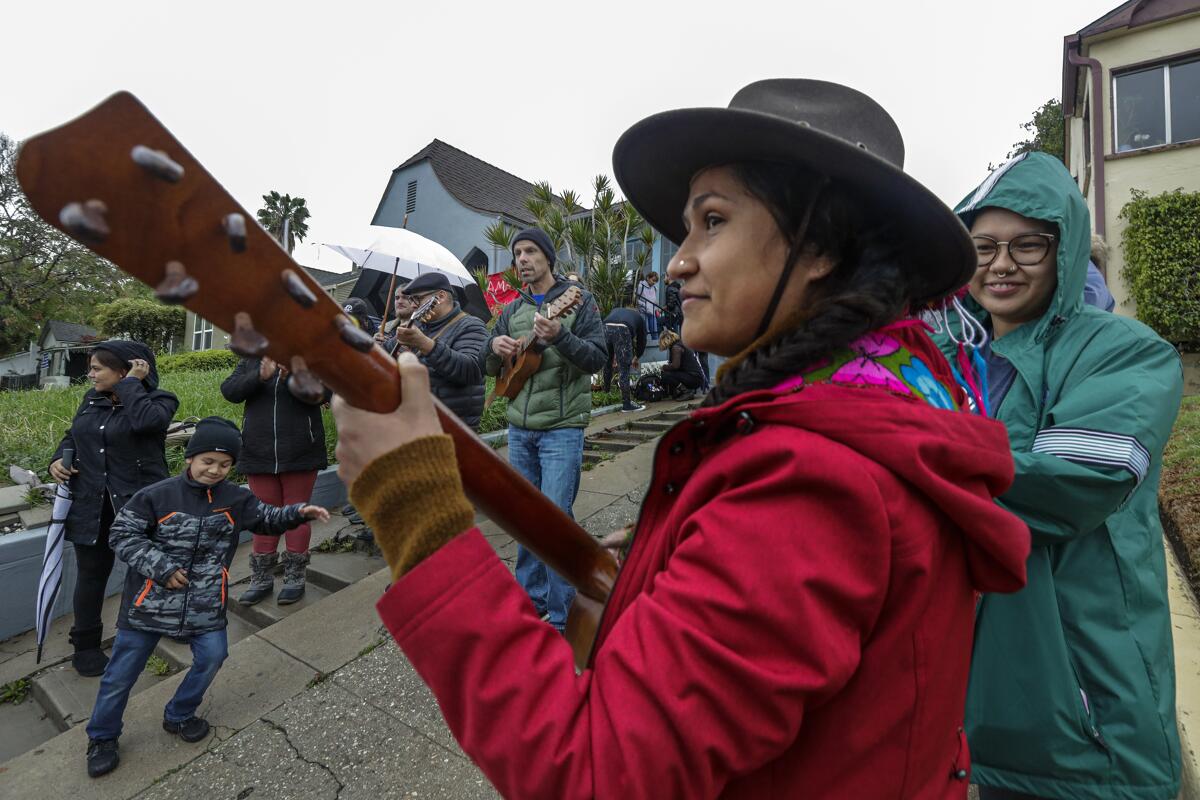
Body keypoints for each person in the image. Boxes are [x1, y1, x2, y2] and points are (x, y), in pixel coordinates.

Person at [330, 79, 1032, 798]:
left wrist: (413, 503)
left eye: (714, 221)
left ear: (820, 246)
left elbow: (593, 771)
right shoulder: (871, 405)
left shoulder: (816, 481)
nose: (676, 262)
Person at [936, 152, 1184, 800]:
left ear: (1065, 248)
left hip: (1091, 716)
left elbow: (1075, 482)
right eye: (983, 246)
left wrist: (919, 455)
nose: (1001, 263)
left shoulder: (1124, 350)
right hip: (986, 712)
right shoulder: (947, 362)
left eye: (1028, 244)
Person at [83, 417, 329, 778]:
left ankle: (179, 713)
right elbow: (122, 534)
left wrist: (297, 513)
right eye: (208, 461)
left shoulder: (236, 498)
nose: (216, 470)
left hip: (204, 605)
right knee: (120, 675)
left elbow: (267, 518)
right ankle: (102, 737)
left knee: (214, 655)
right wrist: (161, 567)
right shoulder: (156, 495)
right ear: (190, 458)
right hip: (148, 606)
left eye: (225, 464)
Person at [484, 227, 608, 633]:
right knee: (525, 520)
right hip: (520, 428)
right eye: (518, 252)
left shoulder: (579, 301)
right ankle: (529, 602)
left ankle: (564, 616)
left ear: (549, 259)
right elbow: (490, 369)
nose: (522, 259)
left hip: (561, 428)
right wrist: (495, 349)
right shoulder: (511, 308)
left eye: (531, 251)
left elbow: (596, 359)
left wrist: (562, 336)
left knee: (555, 521)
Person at [49, 341, 178, 677]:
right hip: (92, 505)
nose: (90, 374)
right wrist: (57, 460)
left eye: (97, 368)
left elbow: (148, 424)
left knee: (150, 570)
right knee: (91, 576)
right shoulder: (91, 400)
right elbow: (73, 436)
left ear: (124, 370)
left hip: (139, 506)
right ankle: (86, 644)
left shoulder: (159, 401)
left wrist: (132, 385)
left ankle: (162, 624)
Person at [220, 355, 329, 605]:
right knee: (262, 516)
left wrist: (293, 376)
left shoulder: (307, 358)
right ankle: (261, 577)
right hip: (258, 451)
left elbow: (324, 394)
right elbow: (230, 390)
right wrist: (260, 376)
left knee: (297, 513)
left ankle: (295, 576)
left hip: (301, 451)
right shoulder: (252, 360)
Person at [384, 271, 488, 429]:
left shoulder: (471, 326)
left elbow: (471, 370)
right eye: (411, 299)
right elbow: (383, 353)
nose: (412, 305)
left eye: (417, 299)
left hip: (453, 427)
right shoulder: (419, 325)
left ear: (440, 297)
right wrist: (390, 346)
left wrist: (424, 344)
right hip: (416, 424)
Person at [602, 305, 647, 412]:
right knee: (624, 368)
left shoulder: (616, 309)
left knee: (607, 364)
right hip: (623, 329)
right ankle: (626, 404)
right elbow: (642, 341)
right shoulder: (639, 318)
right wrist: (637, 357)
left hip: (605, 326)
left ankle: (606, 396)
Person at [658, 329, 705, 399]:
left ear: (665, 339)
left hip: (694, 378)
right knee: (669, 373)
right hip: (696, 377)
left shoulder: (676, 347)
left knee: (666, 375)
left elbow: (675, 366)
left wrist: (664, 367)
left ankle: (686, 391)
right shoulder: (680, 344)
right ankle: (682, 391)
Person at [636, 271, 661, 337]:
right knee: (645, 331)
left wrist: (656, 309)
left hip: (652, 312)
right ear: (648, 278)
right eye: (653, 280)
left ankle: (656, 346)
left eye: (656, 281)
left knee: (654, 331)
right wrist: (645, 305)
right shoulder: (641, 286)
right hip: (643, 312)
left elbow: (654, 300)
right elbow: (636, 299)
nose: (654, 282)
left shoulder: (655, 288)